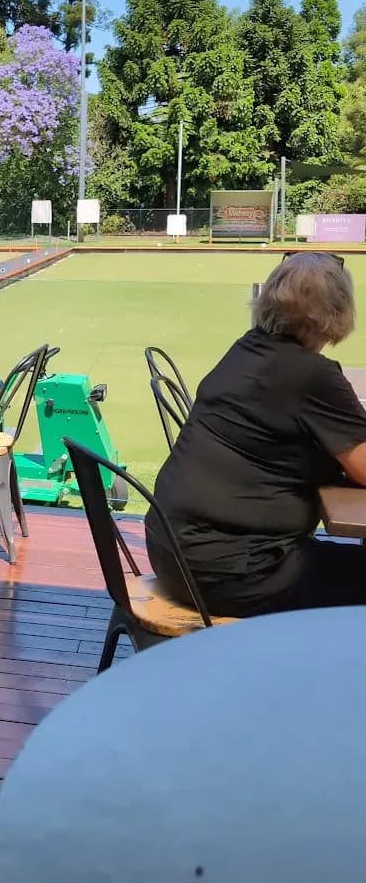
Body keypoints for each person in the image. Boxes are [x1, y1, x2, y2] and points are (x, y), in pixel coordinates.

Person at [146, 252, 366, 617]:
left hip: (174, 554)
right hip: (234, 570)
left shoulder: (246, 348)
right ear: (337, 310)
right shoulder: (313, 374)